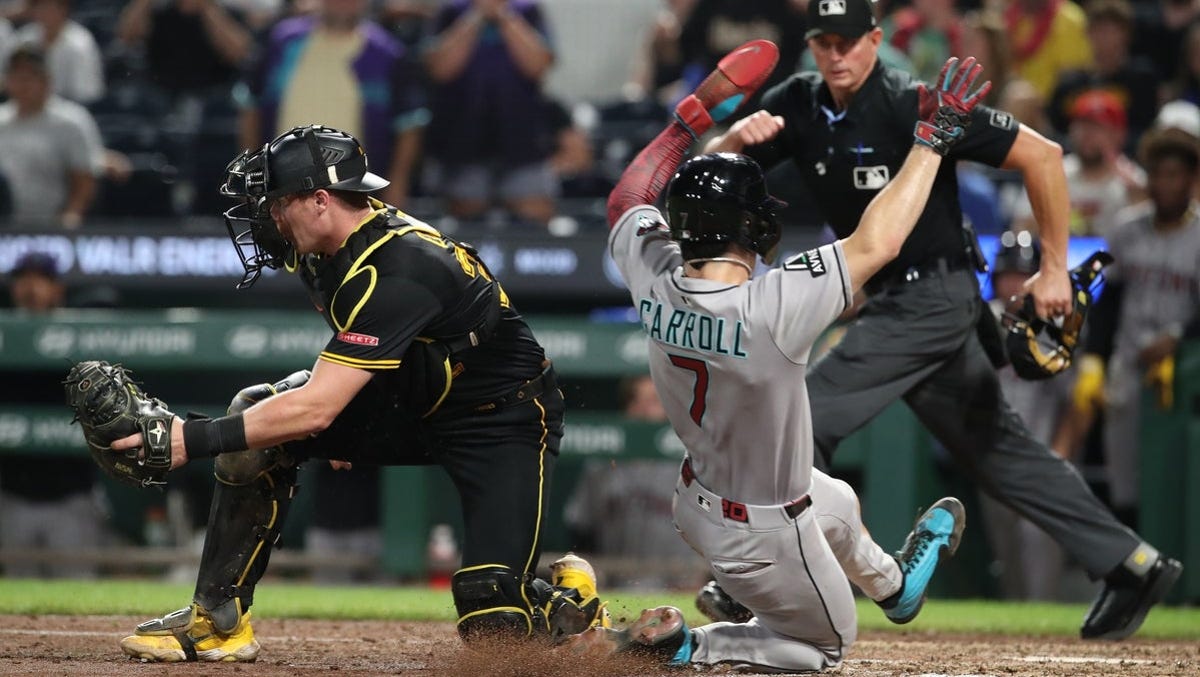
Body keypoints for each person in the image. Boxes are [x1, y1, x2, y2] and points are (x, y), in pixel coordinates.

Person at [701, 0, 1182, 641]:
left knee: (800, 415)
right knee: (998, 451)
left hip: (934, 295)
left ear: (876, 38)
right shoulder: (799, 102)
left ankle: (766, 576)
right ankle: (1133, 564)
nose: (836, 54)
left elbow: (1042, 155)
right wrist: (733, 142)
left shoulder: (914, 103)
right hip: (900, 301)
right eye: (824, 41)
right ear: (811, 44)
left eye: (848, 40)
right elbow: (715, 177)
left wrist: (1054, 268)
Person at [109, 124, 608, 662]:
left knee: (494, 621)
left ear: (320, 200)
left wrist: (189, 439)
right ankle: (217, 620)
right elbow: (366, 361)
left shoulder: (401, 267)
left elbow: (317, 406)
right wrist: (347, 417)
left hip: (502, 420)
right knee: (258, 416)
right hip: (415, 399)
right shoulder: (320, 253)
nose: (269, 216)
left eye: (278, 202)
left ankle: (568, 604)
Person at [564, 41, 978, 672]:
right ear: (752, 226)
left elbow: (628, 198)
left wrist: (690, 119)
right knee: (826, 648)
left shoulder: (652, 275)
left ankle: (896, 588)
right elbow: (881, 240)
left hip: (699, 499)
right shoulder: (773, 306)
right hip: (762, 530)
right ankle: (687, 645)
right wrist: (933, 140)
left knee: (835, 502)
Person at [1072, 127, 1200, 528]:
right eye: (1157, 174)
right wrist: (1095, 359)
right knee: (1123, 479)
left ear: (1191, 179)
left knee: (1171, 480)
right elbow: (1107, 301)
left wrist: (1178, 338)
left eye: (1174, 174)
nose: (1164, 184)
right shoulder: (1126, 228)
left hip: (1182, 373)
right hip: (1129, 365)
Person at [236, 0, 428, 208]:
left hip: (353, 194)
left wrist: (397, 184)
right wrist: (250, 171)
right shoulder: (282, 42)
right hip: (283, 189)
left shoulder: (387, 53)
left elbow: (408, 124)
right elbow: (251, 106)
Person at [0, 251, 107, 579]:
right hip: (13, 493)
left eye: (40, 280)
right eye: (23, 280)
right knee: (16, 594)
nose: (31, 288)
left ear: (57, 289)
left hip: (71, 495)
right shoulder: (6, 337)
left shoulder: (77, 338)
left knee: (78, 590)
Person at [562, 374, 705, 590]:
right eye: (636, 400)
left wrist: (700, 576)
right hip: (614, 584)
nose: (645, 410)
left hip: (680, 586)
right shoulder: (603, 464)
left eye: (654, 401)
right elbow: (581, 529)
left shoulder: (692, 462)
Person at [422, 0, 558, 225]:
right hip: (462, 145)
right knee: (464, 227)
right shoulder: (451, 11)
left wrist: (505, 16)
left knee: (534, 219)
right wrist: (476, 16)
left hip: (522, 145)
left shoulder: (528, 10)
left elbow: (538, 65)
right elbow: (440, 69)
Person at [0, 44, 104, 228]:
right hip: (4, 226)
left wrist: (71, 216)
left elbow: (84, 181)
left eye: (29, 77)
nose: (22, 85)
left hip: (51, 226)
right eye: (16, 77)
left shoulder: (72, 121)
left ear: (46, 80)